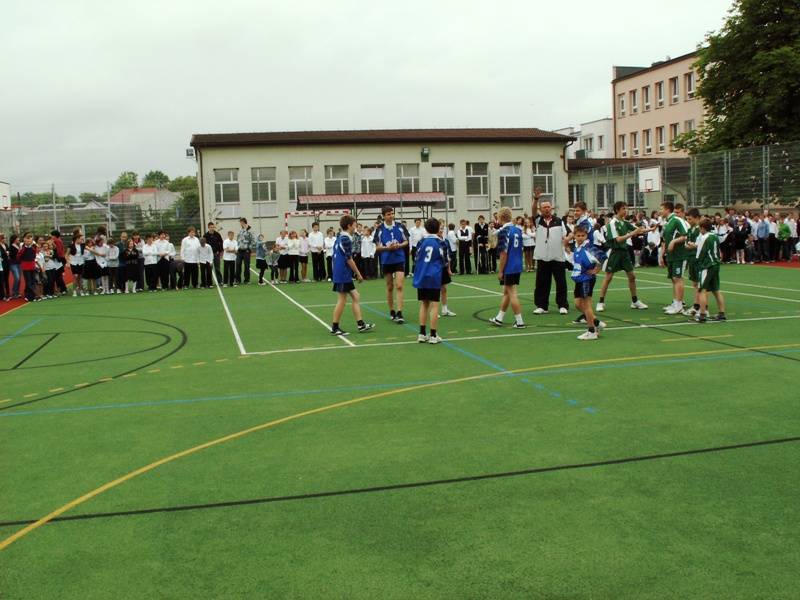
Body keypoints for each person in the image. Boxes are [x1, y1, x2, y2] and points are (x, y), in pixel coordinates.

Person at [595, 202, 649, 313]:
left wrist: (651, 229)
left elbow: (638, 230)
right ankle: (600, 302)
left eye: (626, 208)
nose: (626, 210)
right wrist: (632, 233)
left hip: (624, 253)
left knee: (632, 276)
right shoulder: (612, 224)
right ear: (617, 210)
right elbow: (618, 239)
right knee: (608, 277)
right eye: (624, 208)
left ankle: (635, 301)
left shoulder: (625, 222)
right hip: (615, 252)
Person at [330, 214, 374, 336]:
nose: (356, 227)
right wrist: (358, 274)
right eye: (354, 224)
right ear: (349, 226)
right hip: (343, 273)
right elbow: (349, 259)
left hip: (341, 272)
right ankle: (335, 327)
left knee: (355, 296)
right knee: (342, 300)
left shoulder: (340, 237)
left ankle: (361, 324)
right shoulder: (346, 239)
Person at [530, 188, 569, 315]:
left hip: (558, 257)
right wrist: (536, 199)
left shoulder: (559, 221)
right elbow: (533, 210)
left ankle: (562, 305)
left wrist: (567, 241)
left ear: (551, 208)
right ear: (541, 209)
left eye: (548, 207)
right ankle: (542, 306)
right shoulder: (538, 220)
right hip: (542, 257)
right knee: (542, 283)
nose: (546, 209)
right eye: (544, 207)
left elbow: (568, 234)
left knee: (561, 282)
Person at [489, 207, 526, 329]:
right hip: (517, 264)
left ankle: (519, 321)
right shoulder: (517, 230)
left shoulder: (504, 231)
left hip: (509, 266)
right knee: (506, 291)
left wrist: (500, 271)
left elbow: (503, 254)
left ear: (500, 218)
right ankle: (499, 318)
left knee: (512, 293)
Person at [567, 226, 605, 340]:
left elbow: (602, 257)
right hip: (579, 278)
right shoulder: (576, 247)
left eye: (582, 235)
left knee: (586, 305)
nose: (580, 238)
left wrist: (596, 270)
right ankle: (596, 322)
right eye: (578, 235)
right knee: (578, 304)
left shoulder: (589, 248)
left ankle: (592, 331)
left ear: (586, 236)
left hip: (586, 279)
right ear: (574, 236)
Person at [413, 218, 446, 343]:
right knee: (435, 305)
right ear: (438, 229)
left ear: (426, 229)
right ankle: (433, 335)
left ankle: (421, 334)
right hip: (434, 276)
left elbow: (416, 258)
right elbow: (444, 260)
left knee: (424, 303)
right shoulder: (440, 242)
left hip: (422, 275)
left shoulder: (421, 242)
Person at [688, 217, 726, 323]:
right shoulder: (714, 236)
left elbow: (699, 254)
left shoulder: (704, 237)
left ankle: (702, 315)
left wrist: (693, 248)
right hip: (715, 264)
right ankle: (722, 313)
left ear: (703, 228)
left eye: (700, 228)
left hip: (707, 265)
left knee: (702, 290)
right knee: (716, 290)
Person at [375, 206, 408, 323]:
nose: (391, 216)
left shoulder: (400, 226)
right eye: (388, 214)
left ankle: (399, 312)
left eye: (392, 213)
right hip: (386, 260)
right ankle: (392, 311)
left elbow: (406, 241)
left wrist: (399, 245)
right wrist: (387, 248)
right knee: (389, 286)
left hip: (399, 258)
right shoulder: (379, 229)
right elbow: (377, 247)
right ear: (384, 216)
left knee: (399, 285)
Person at [660, 201, 688, 315]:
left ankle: (679, 305)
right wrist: (662, 255)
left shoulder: (677, 220)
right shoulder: (667, 222)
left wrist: (674, 242)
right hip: (671, 256)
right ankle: (675, 302)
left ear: (667, 209)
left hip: (679, 255)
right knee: (673, 279)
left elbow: (685, 235)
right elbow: (664, 240)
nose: (660, 211)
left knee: (677, 278)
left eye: (661, 209)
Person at [437, 220, 456, 317]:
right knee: (435, 290)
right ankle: (434, 311)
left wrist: (449, 269)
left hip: (443, 268)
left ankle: (445, 310)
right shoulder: (434, 240)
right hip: (435, 268)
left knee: (444, 289)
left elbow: (447, 256)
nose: (441, 230)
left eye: (442, 228)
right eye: (440, 228)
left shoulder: (445, 241)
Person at [235, 217, 255, 284]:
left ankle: (247, 280)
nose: (240, 224)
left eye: (240, 222)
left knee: (246, 265)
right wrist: (237, 247)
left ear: (243, 222)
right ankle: (237, 280)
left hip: (246, 251)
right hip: (239, 250)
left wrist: (249, 248)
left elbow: (253, 241)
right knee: (238, 264)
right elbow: (238, 239)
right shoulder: (241, 230)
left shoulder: (250, 230)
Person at [50, 230, 67, 295]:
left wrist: (55, 257)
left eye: (52, 235)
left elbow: (59, 251)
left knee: (58, 275)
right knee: (58, 275)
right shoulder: (59, 240)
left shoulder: (56, 241)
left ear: (54, 236)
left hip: (59, 259)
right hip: (60, 258)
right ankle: (62, 289)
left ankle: (62, 289)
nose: (51, 236)